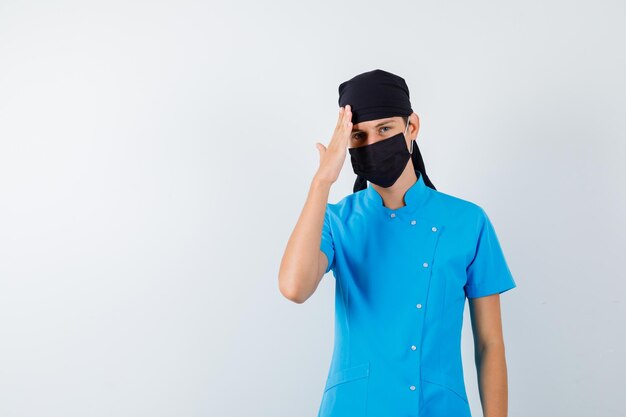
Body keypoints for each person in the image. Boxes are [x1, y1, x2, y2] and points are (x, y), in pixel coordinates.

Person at [278, 69, 517, 417]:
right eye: (359, 136)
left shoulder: (467, 221)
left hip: (439, 407)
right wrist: (322, 182)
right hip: (353, 408)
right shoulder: (336, 220)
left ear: (412, 127)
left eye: (385, 129)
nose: (373, 142)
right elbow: (294, 287)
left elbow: (490, 344)